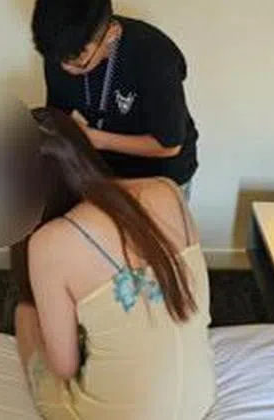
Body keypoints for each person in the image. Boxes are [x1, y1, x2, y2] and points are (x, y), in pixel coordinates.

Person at [13, 107, 216, 420]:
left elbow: (64, 368)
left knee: (25, 313)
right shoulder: (166, 189)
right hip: (199, 400)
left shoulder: (49, 243)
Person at [32, 0, 199, 196]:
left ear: (110, 34)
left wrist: (96, 140)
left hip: (161, 175)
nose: (65, 69)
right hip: (104, 171)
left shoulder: (155, 57)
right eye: (58, 61)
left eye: (79, 62)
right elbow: (60, 115)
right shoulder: (60, 51)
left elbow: (169, 145)